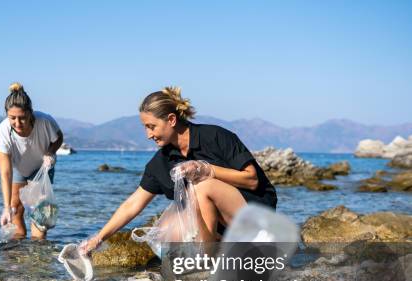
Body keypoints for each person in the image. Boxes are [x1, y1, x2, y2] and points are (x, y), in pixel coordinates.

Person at [79, 86, 277, 253]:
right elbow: (133, 204)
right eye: (145, 127)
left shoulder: (215, 137)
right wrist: (99, 238)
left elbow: (252, 180)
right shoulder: (161, 161)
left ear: (172, 120)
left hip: (256, 215)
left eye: (152, 126)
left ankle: (208, 259)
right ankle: (218, 248)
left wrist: (206, 169)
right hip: (224, 227)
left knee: (202, 187)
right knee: (163, 232)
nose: (148, 135)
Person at [0, 82, 64, 239]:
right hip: (17, 168)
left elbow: (59, 137)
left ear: (30, 113)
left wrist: (50, 152)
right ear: (7, 115)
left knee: (40, 212)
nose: (17, 123)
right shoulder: (2, 133)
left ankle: (37, 252)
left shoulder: (45, 121)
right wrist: (5, 208)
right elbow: (5, 173)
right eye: (12, 118)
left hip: (42, 166)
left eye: (22, 118)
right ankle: (19, 250)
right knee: (15, 208)